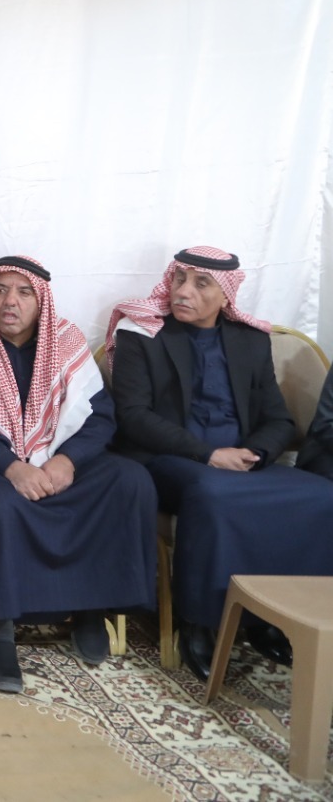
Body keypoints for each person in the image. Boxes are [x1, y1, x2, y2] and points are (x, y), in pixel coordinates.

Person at [107, 245, 333, 680]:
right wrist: (208, 454)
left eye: (201, 283)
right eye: (179, 279)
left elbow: (278, 419)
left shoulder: (250, 340)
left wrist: (257, 453)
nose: (183, 291)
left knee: (323, 496)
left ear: (226, 294)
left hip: (240, 460)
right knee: (213, 493)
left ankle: (273, 616)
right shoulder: (142, 334)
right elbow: (133, 417)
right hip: (169, 458)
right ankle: (201, 620)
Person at [0, 255, 156, 693]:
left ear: (41, 301)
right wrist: (12, 467)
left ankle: (92, 608)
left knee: (128, 480)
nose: (10, 302)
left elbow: (100, 415)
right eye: (1, 290)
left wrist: (67, 461)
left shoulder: (66, 340)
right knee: (0, 505)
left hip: (59, 458)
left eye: (23, 292)